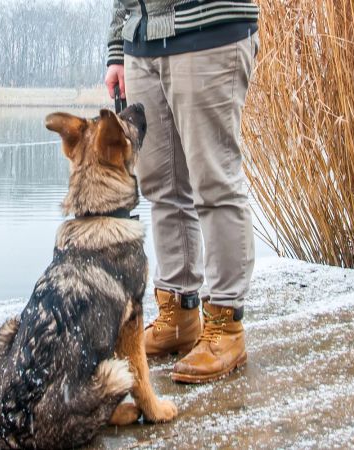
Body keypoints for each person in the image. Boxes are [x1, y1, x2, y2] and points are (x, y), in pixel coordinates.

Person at [104, 0, 259, 384]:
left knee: (214, 182)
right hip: (143, 41)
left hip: (207, 32)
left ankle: (226, 324)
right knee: (160, 184)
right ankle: (179, 311)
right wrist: (118, 50)